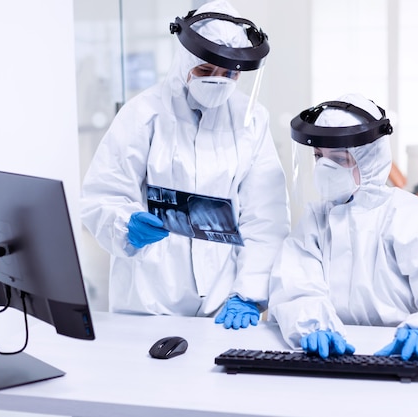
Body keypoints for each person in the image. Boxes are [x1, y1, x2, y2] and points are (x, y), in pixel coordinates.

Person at [81, 0, 290, 330]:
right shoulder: (143, 114)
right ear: (184, 61)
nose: (217, 81)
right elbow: (101, 197)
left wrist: (248, 292)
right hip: (148, 305)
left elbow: (266, 218)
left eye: (229, 74)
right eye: (206, 71)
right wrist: (126, 225)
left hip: (222, 309)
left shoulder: (252, 120)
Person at [268, 93, 418, 359]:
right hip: (332, 356)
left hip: (398, 354)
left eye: (339, 159)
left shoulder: (414, 218)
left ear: (370, 159)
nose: (325, 169)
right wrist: (311, 325)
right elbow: (295, 287)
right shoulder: (316, 220)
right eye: (318, 157)